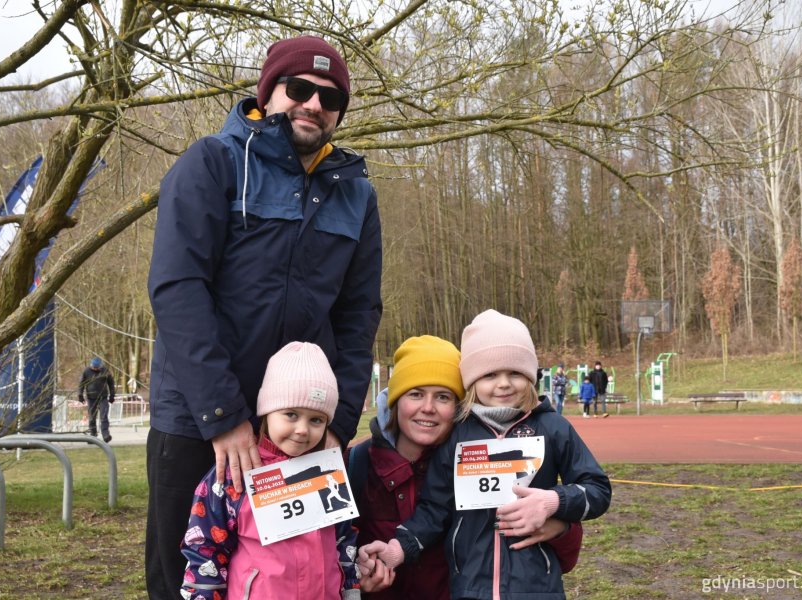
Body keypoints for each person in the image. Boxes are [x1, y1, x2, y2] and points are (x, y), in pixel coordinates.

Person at [146, 35, 383, 598]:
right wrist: (223, 412)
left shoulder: (358, 195)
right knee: (189, 577)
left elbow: (358, 316)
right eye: (298, 89)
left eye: (331, 98)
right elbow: (178, 287)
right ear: (268, 91)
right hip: (199, 420)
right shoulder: (213, 162)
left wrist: (338, 423)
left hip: (300, 429)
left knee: (294, 576)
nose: (313, 104)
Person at [357, 310, 611, 598]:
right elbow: (435, 509)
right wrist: (397, 549)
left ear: (530, 376)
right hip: (470, 587)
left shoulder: (554, 428)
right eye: (490, 374)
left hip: (537, 588)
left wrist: (554, 502)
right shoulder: (458, 435)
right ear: (472, 382)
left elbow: (598, 490)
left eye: (515, 372)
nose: (503, 383)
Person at [180, 342, 360, 600]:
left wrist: (352, 592)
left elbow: (344, 541)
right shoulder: (237, 473)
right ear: (267, 412)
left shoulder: (328, 474)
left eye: (316, 420)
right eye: (290, 414)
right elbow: (204, 547)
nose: (302, 429)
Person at [77, 357, 115, 443]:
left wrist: (112, 395)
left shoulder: (105, 371)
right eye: (94, 367)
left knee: (104, 416)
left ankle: (105, 435)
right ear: (91, 365)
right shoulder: (86, 371)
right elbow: (81, 383)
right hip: (91, 398)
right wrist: (80, 395)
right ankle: (93, 435)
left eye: (97, 368)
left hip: (103, 397)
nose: (96, 369)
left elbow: (111, 383)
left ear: (100, 366)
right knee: (92, 417)